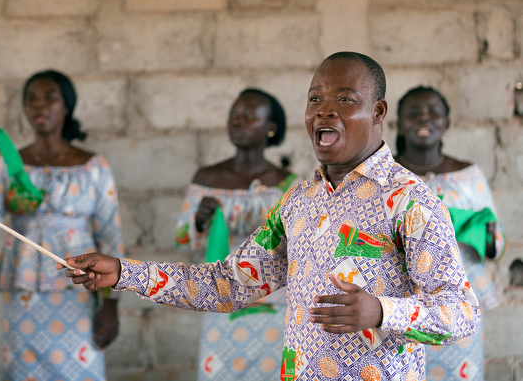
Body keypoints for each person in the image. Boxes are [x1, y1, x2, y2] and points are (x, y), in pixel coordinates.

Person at [60, 52, 482, 380]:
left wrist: (382, 312)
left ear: (378, 113)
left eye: (345, 100)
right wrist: (122, 272)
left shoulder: (410, 200)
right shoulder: (297, 200)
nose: (324, 110)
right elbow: (228, 285)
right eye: (315, 98)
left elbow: (462, 313)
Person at [0, 70, 124, 381]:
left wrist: (111, 303)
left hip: (80, 286)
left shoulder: (93, 166)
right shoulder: (7, 163)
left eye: (49, 97)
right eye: (31, 99)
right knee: (23, 370)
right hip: (24, 288)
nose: (39, 105)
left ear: (66, 106)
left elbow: (110, 234)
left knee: (81, 370)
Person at [174, 88, 299, 379]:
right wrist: (199, 222)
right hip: (221, 299)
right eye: (234, 115)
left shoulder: (289, 185)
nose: (238, 121)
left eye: (249, 116)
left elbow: (301, 247)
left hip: (274, 306)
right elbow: (181, 242)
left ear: (271, 128)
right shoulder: (206, 179)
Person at [395, 86, 505, 380]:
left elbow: (497, 245)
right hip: (397, 302)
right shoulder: (384, 175)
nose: (424, 118)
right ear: (399, 123)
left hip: (457, 303)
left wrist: (481, 231)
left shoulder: (468, 175)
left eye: (433, 113)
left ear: (446, 123)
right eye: (413, 113)